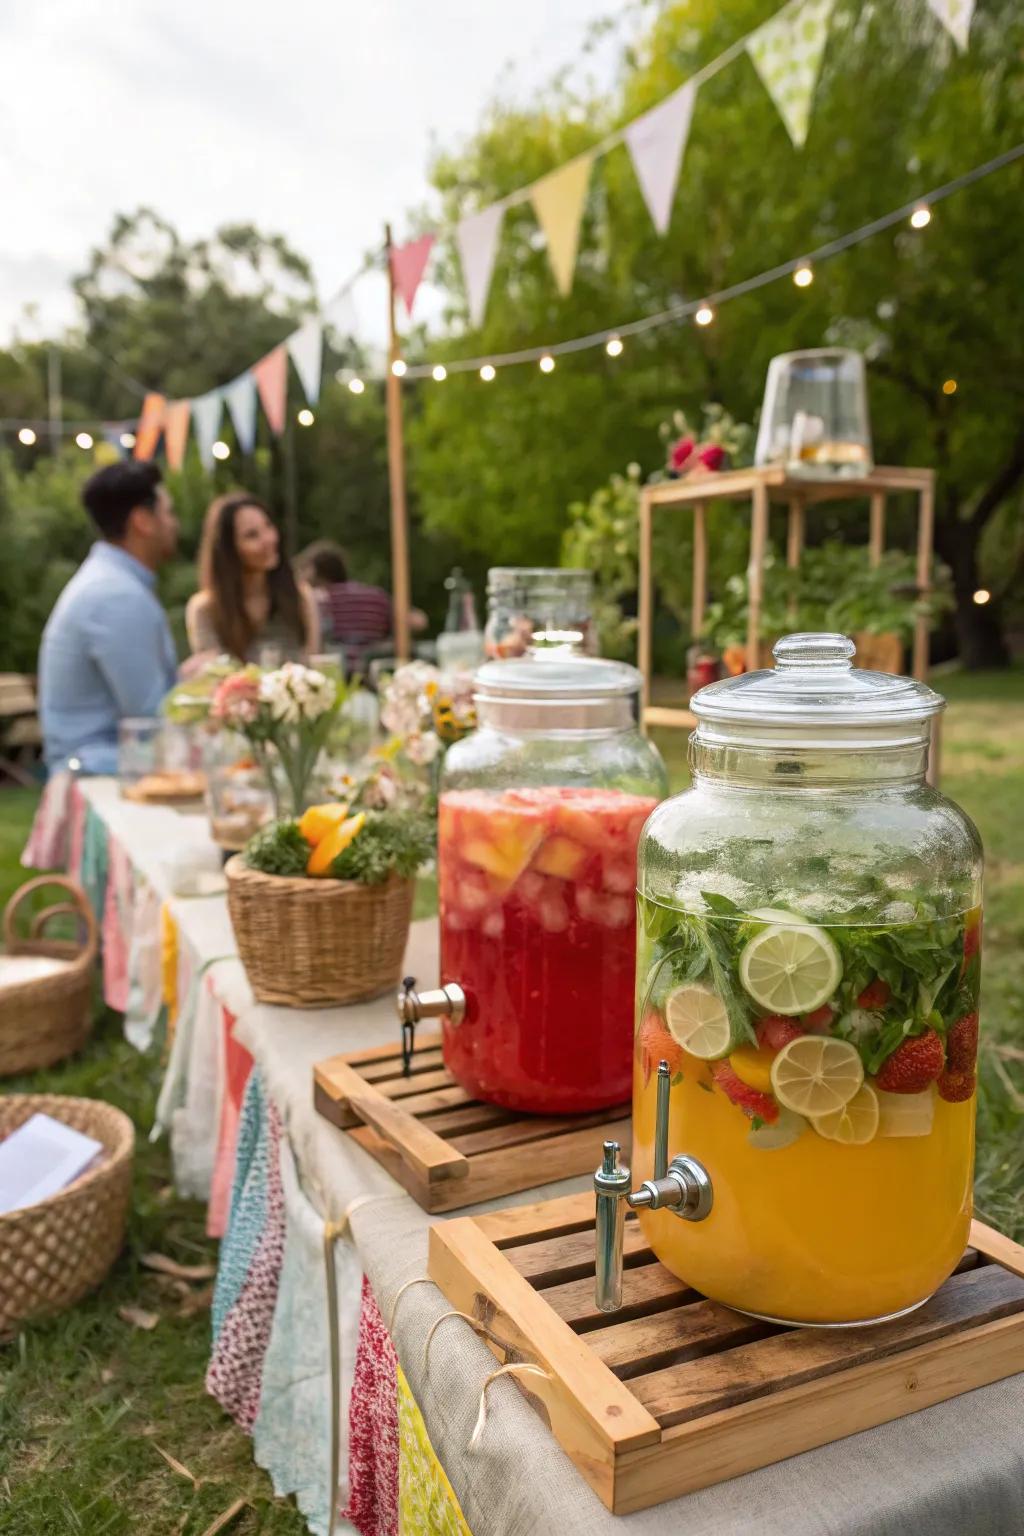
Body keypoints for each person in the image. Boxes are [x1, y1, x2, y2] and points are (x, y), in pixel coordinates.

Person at [38, 461, 179, 775]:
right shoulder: (116, 595)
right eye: (168, 512)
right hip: (99, 777)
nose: (174, 523)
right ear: (143, 521)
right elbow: (153, 718)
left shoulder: (110, 583)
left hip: (97, 768)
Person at [186, 493, 320, 663]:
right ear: (229, 550)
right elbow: (213, 675)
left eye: (268, 526)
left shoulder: (301, 597)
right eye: (252, 535)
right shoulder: (205, 610)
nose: (268, 539)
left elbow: (313, 670)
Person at [299, 540, 425, 677]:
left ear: (313, 571)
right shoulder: (376, 595)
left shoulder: (317, 600)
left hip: (339, 676)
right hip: (378, 674)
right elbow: (419, 621)